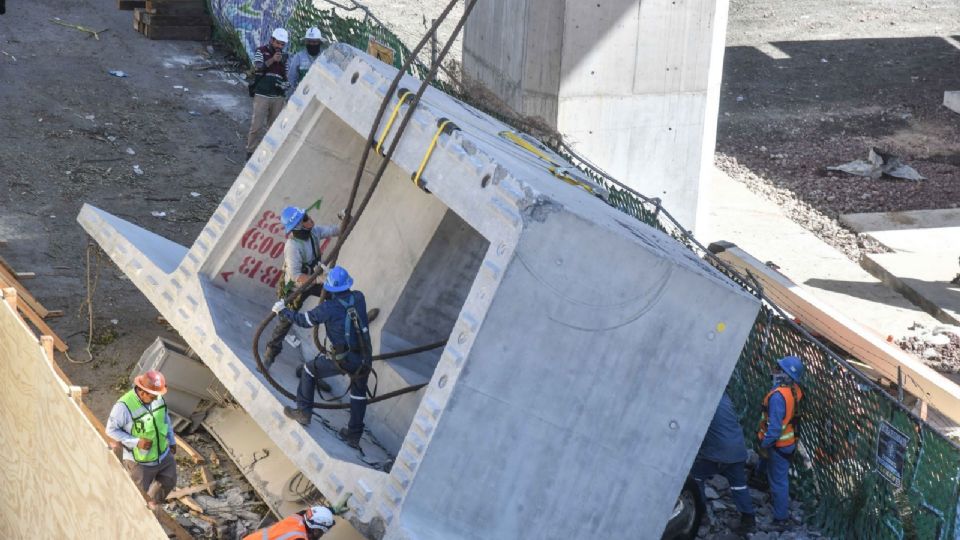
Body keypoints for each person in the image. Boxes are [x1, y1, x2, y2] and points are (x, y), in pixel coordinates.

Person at [273, 265, 372, 448]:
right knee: (358, 394)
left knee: (308, 370)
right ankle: (353, 435)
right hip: (365, 357)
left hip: (345, 359)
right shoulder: (359, 297)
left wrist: (283, 311)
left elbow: (304, 321)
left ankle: (303, 412)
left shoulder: (328, 308)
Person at [263, 205, 339, 374]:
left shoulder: (314, 232)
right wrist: (320, 279)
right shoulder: (292, 247)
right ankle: (269, 357)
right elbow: (297, 276)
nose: (310, 219)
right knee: (285, 323)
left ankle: (346, 329)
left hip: (313, 279)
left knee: (339, 295)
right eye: (305, 218)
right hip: (296, 289)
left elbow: (333, 230)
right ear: (298, 226)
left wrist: (346, 221)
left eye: (307, 215)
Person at [106, 369, 177, 509]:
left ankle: (151, 509)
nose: (156, 399)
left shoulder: (158, 398)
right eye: (152, 396)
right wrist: (136, 442)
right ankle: (133, 517)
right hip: (139, 461)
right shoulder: (124, 406)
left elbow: (165, 419)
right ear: (142, 391)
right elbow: (111, 430)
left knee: (169, 480)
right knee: (135, 497)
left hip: (162, 454)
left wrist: (172, 440)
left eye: (158, 395)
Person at [692, 392, 756, 533]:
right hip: (737, 450)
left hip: (717, 452)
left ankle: (701, 515)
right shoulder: (725, 398)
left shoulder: (704, 398)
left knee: (696, 477)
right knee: (739, 486)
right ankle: (749, 519)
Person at [756, 355, 805, 529]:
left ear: (785, 375)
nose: (774, 371)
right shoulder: (794, 390)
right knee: (772, 472)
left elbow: (775, 429)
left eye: (778, 369)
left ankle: (781, 518)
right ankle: (758, 480)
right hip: (788, 441)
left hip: (777, 445)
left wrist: (764, 444)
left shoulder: (778, 397)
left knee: (779, 482)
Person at [246, 27, 290, 159]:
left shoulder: (285, 57)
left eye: (282, 44)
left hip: (277, 95)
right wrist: (273, 60)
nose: (280, 46)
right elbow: (257, 68)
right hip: (262, 94)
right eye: (278, 43)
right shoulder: (261, 51)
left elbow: (286, 75)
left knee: (273, 128)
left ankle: (269, 155)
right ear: (272, 40)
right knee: (256, 126)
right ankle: (250, 152)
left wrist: (285, 84)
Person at [242, 505, 335, 540]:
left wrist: (331, 510)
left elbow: (309, 511)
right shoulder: (299, 538)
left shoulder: (296, 518)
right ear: (316, 530)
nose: (321, 535)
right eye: (321, 531)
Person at [287, 27, 329, 96]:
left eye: (314, 42)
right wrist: (289, 97)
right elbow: (292, 79)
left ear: (319, 42)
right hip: (302, 95)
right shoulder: (298, 57)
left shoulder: (325, 57)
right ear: (306, 42)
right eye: (309, 41)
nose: (312, 44)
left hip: (320, 95)